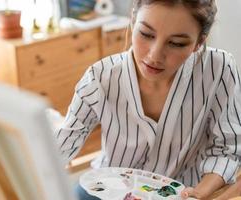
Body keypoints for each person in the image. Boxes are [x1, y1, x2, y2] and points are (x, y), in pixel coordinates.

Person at [55, 0, 241, 199]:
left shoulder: (219, 69)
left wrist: (198, 193)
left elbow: (227, 149)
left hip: (180, 193)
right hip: (107, 189)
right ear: (133, 20)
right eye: (146, 34)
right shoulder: (100, 76)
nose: (154, 56)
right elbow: (62, 143)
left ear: (199, 42)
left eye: (176, 43)